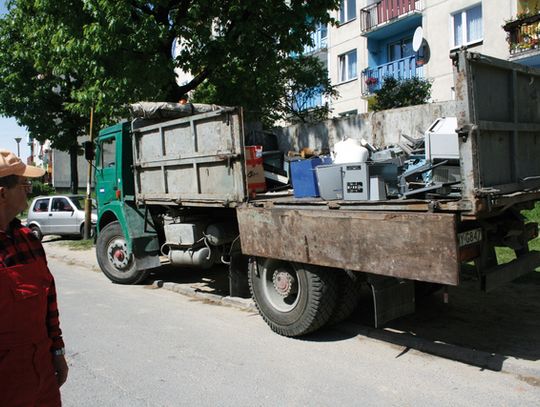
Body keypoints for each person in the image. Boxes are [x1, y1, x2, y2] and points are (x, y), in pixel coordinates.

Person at [0, 149, 68, 406]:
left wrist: (57, 351)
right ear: (3, 193)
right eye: (23, 184)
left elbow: (49, 302)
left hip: (41, 372)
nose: (28, 190)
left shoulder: (29, 239)